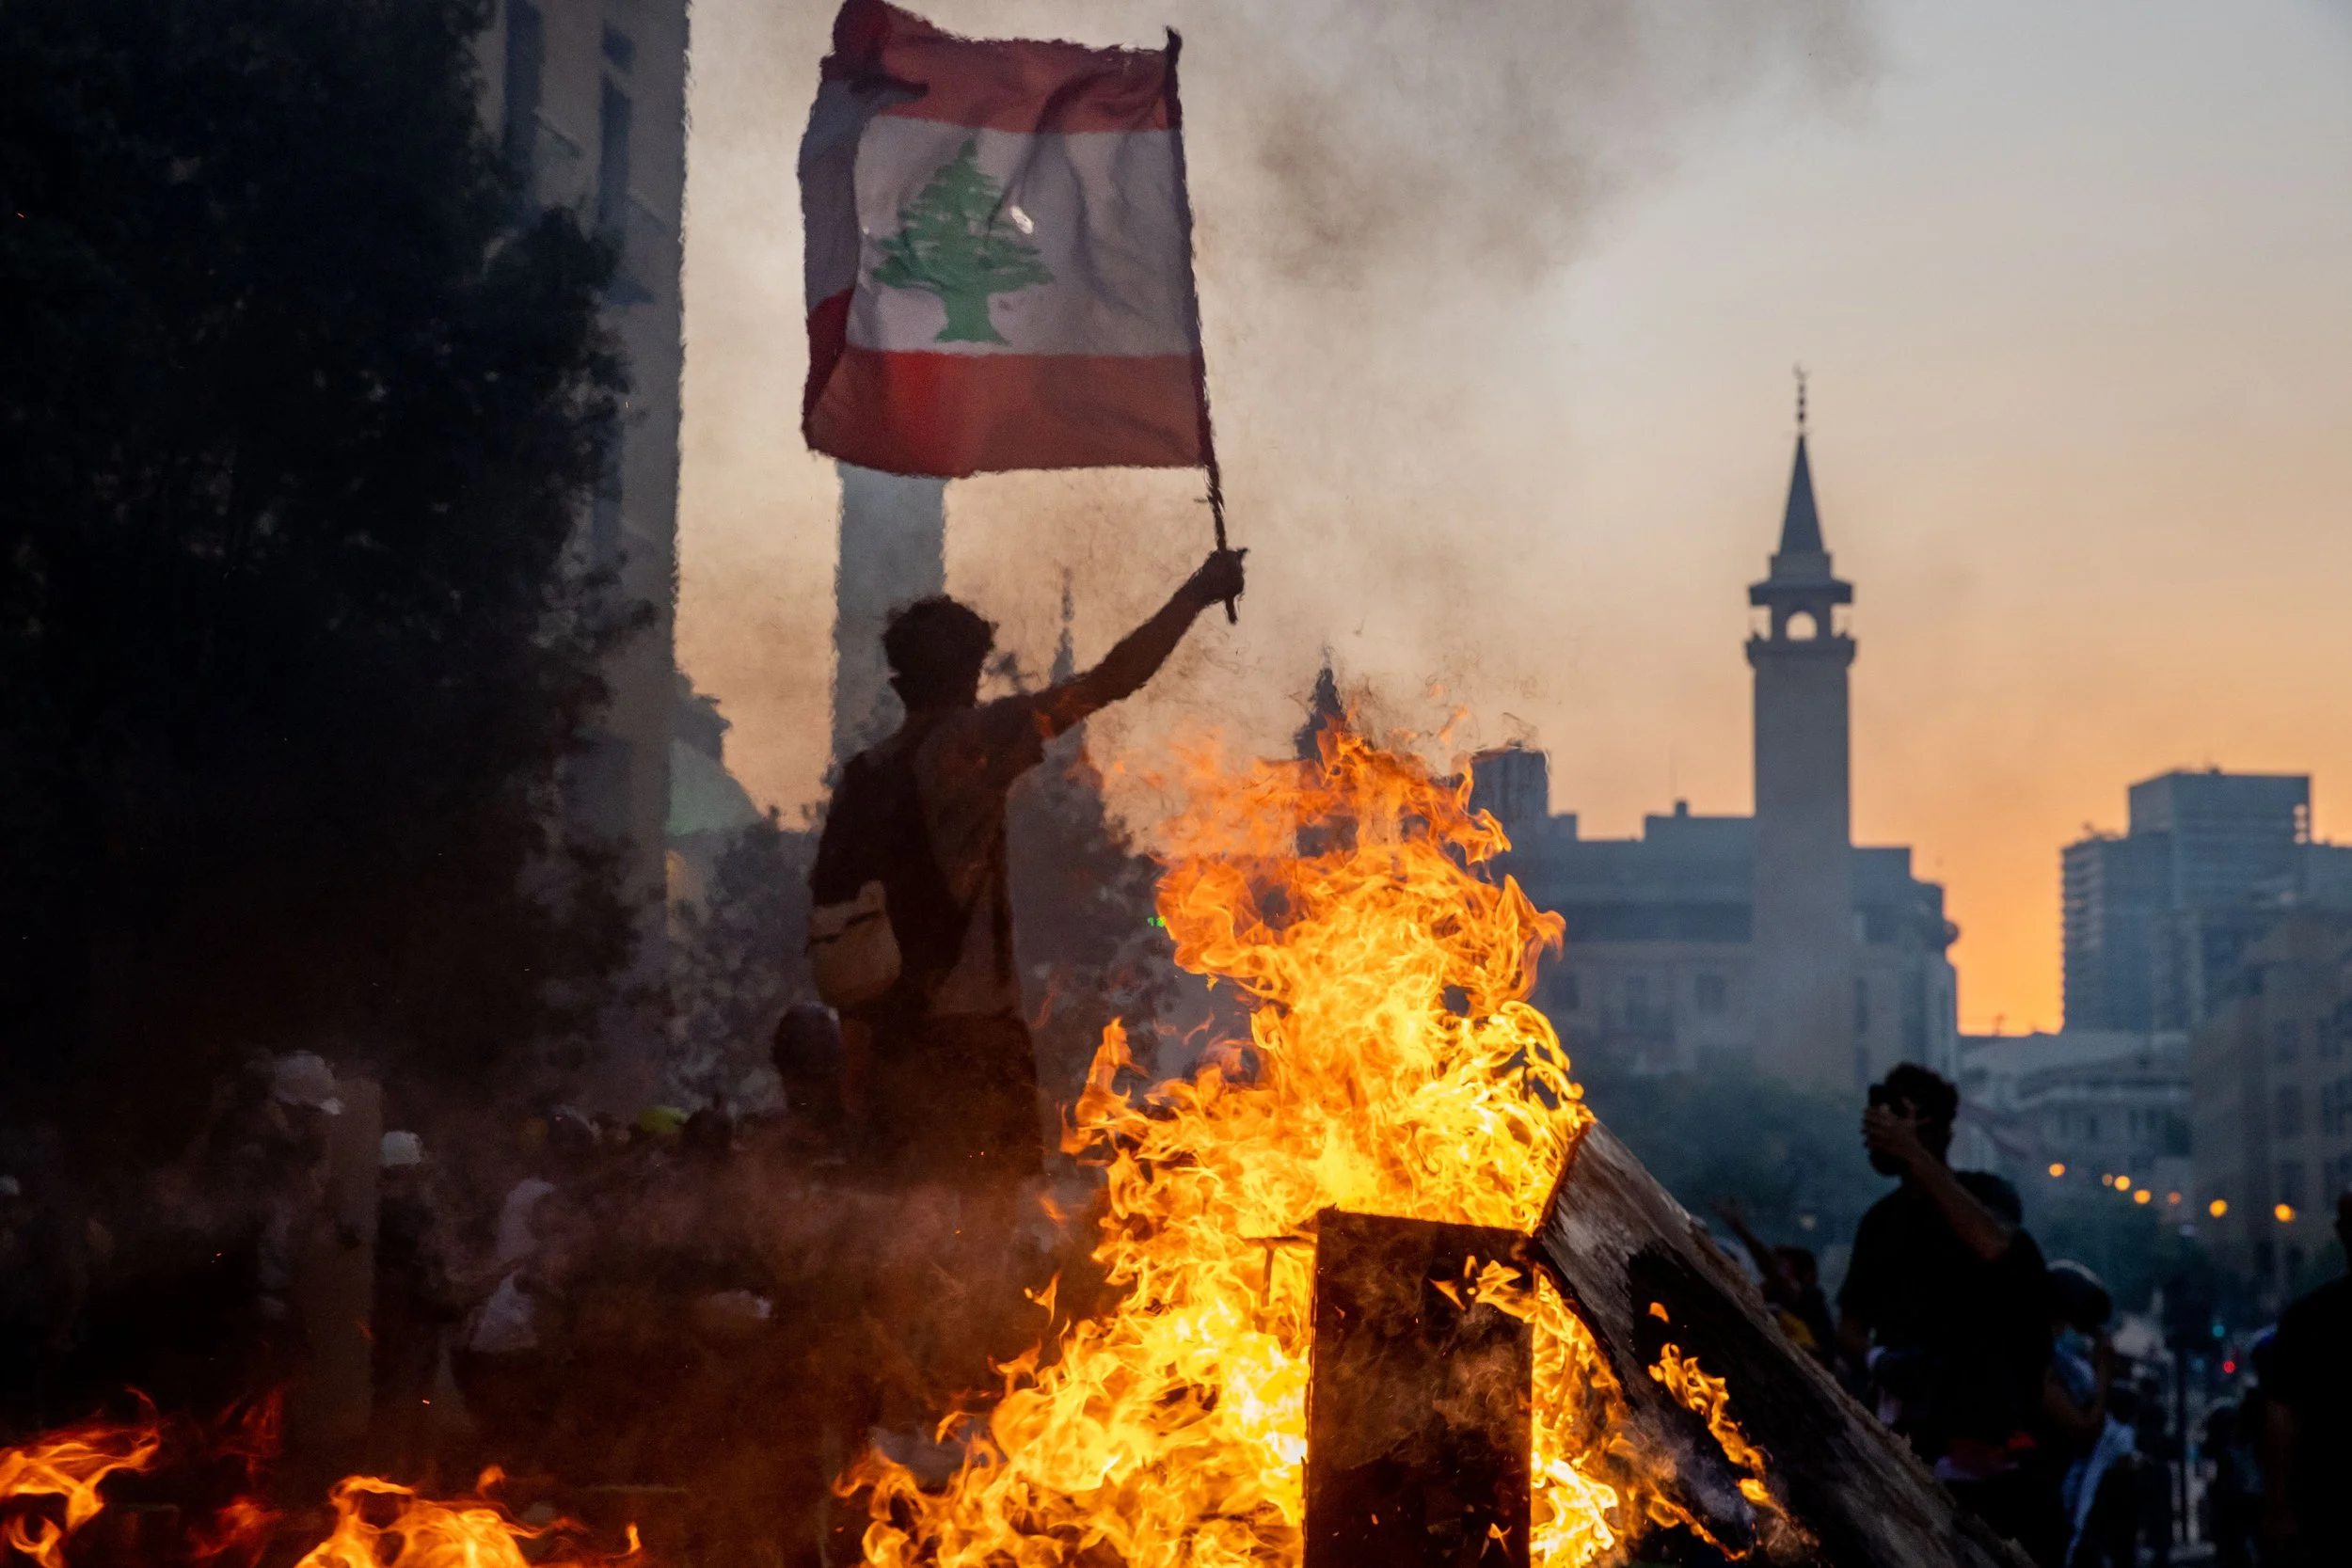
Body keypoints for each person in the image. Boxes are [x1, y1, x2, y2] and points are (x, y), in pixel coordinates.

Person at [808, 548, 1243, 1425]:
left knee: (901, 1245)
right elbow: (1108, 682)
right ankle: (960, 1424)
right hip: (970, 1046)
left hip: (891, 1043)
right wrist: (1193, 593)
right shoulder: (971, 745)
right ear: (969, 673)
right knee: (979, 1247)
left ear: (897, 678)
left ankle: (887, 1430)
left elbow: (839, 940)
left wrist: (857, 1068)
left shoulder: (864, 778)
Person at [1837, 1064, 2059, 1563]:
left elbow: (1993, 1243)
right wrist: (1879, 1359)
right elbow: (1849, 1328)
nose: (1874, 1132)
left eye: (1894, 1117)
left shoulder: (1988, 1195)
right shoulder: (1879, 1223)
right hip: (1912, 1449)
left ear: (1936, 1127)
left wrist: (1915, 1153)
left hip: (1998, 1457)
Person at [2259, 1185, 2352, 1568]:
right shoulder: (2307, 1318)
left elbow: (2281, 1416)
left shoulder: (2309, 1317)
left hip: (2328, 1497)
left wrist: (2280, 1510)